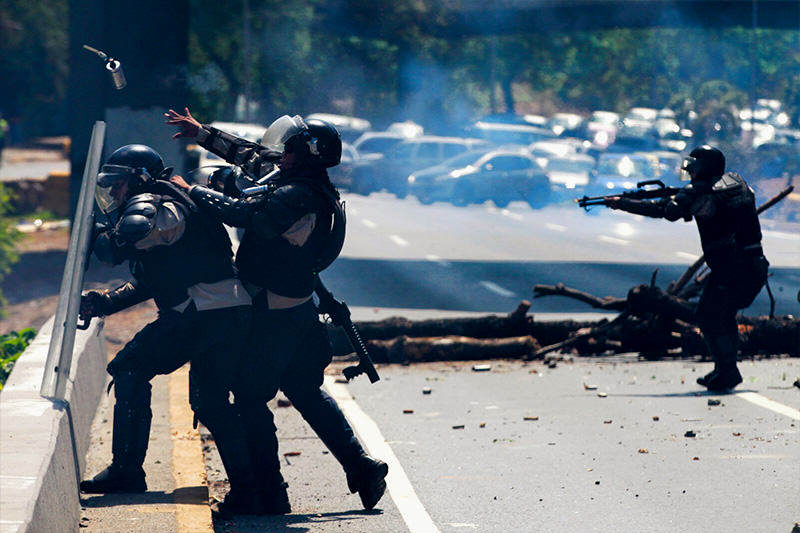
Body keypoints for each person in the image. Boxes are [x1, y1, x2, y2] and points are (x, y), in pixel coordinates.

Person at [166, 108, 388, 512]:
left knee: (250, 397)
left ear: (306, 156)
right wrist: (203, 133)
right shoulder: (298, 179)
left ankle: (270, 494)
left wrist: (191, 189)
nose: (279, 156)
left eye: (288, 151)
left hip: (276, 313)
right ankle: (362, 466)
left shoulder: (299, 196)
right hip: (297, 305)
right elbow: (253, 156)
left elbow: (242, 214)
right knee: (303, 388)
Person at [78, 144, 264, 516]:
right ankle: (251, 489)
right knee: (209, 402)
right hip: (215, 311)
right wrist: (106, 302)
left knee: (131, 369)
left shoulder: (163, 207)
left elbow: (118, 246)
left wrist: (93, 235)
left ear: (139, 179)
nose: (114, 193)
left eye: (119, 185)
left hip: (204, 314)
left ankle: (128, 471)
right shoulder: (169, 205)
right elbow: (154, 280)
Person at [606, 145, 769, 391]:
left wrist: (623, 203)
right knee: (720, 315)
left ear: (704, 168)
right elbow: (716, 203)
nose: (690, 171)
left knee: (708, 316)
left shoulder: (700, 192)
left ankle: (728, 371)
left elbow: (666, 211)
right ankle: (726, 370)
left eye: (694, 166)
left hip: (733, 268)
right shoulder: (737, 184)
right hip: (753, 265)